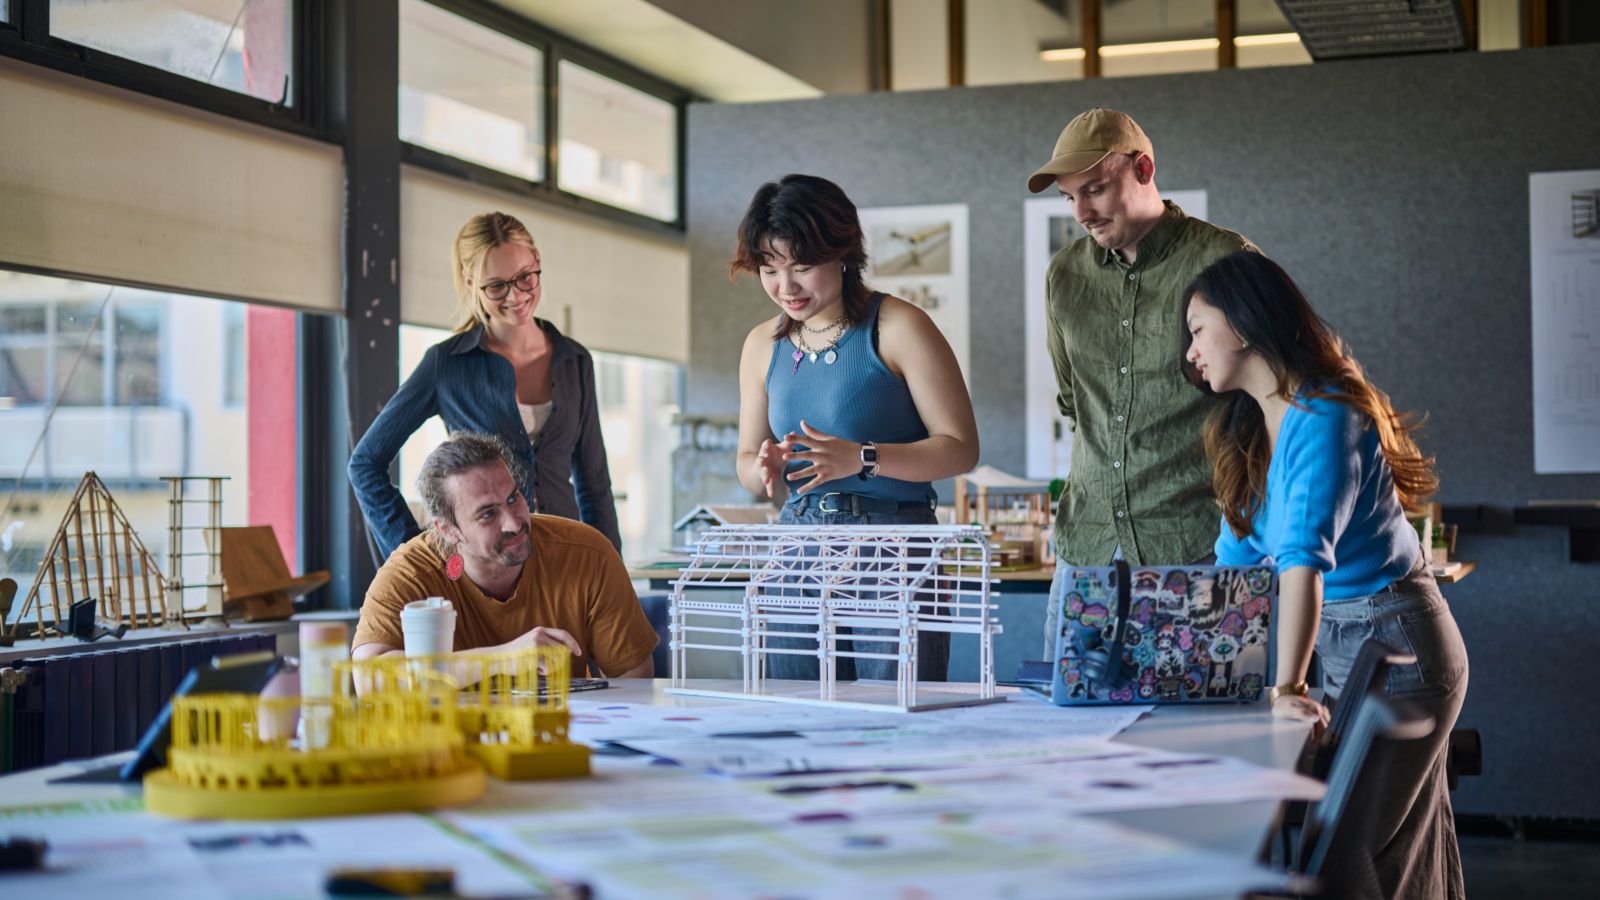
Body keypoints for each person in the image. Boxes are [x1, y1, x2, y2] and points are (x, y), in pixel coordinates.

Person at [1182, 250, 1468, 898]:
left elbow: (1302, 564)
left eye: (1198, 329)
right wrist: (1193, 663)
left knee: (1351, 848)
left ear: (1247, 322)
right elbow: (1235, 565)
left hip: (1399, 645)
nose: (1190, 352)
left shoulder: (1326, 411)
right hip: (1350, 641)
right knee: (1393, 846)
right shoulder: (1255, 428)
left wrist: (1285, 688)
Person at [1026, 107, 1259, 659]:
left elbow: (1266, 400)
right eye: (1068, 198)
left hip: (1197, 546)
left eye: (1096, 190)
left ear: (1144, 168)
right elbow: (1073, 399)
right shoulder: (1065, 274)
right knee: (1074, 727)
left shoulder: (1225, 261)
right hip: (1088, 548)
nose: (1081, 211)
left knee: (1194, 729)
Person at [731, 174, 979, 683]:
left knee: (898, 713)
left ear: (842, 254)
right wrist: (766, 469)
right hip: (796, 547)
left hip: (895, 546)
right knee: (795, 709)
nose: (786, 287)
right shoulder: (762, 344)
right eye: (770, 269)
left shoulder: (899, 326)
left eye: (802, 267)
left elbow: (961, 448)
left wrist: (863, 458)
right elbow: (746, 465)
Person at [349, 211, 621, 560]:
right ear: (469, 283)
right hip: (487, 570)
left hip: (564, 563)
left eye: (525, 277)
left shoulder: (575, 361)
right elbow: (364, 464)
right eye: (496, 286)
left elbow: (594, 486)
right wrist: (417, 557)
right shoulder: (446, 365)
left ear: (537, 262)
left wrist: (610, 569)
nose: (515, 295)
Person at [352, 432, 656, 678]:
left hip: (559, 739)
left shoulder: (587, 553)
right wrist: (504, 659)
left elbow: (635, 682)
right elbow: (369, 677)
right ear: (447, 530)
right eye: (488, 514)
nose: (514, 522)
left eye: (514, 498)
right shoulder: (410, 573)